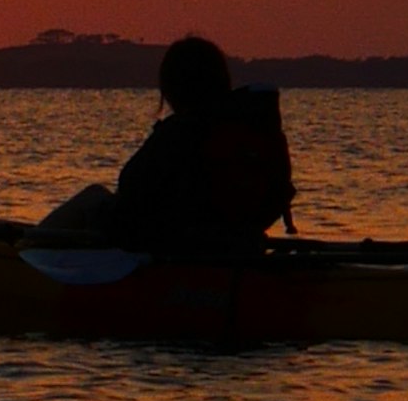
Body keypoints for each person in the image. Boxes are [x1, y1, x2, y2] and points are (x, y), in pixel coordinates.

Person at [47, 32, 296, 261]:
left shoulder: (183, 132)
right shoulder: (254, 131)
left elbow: (132, 186)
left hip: (177, 249)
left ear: (173, 87)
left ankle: (21, 257)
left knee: (93, 197)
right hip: (237, 245)